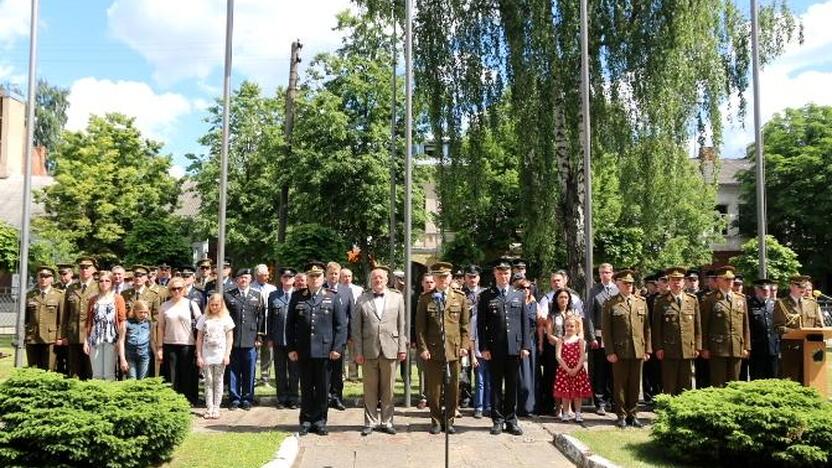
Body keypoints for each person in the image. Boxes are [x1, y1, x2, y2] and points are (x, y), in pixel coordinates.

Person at [287, 261, 348, 436]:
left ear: (323, 278)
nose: (314, 279)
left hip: (325, 351)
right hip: (304, 350)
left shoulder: (332, 296)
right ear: (306, 278)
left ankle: (320, 421)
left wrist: (337, 347)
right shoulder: (298, 297)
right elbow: (289, 326)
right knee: (305, 387)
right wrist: (291, 347)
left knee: (322, 389)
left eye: (318, 276)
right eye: (311, 276)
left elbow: (340, 326)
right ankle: (306, 421)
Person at [416, 261, 471, 435]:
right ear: (434, 278)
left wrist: (464, 346)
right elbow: (420, 329)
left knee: (453, 389)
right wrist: (423, 348)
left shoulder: (460, 297)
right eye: (439, 277)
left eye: (445, 276)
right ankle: (436, 420)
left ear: (450, 278)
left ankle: (449, 420)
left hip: (453, 351)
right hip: (432, 351)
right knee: (434, 390)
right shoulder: (425, 299)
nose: (442, 280)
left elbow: (465, 327)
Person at [477, 258, 530, 436]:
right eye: (500, 273)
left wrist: (525, 346)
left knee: (512, 385)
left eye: (506, 273)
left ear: (510, 274)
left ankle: (511, 420)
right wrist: (483, 347)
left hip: (514, 348)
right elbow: (481, 325)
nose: (503, 276)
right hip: (495, 348)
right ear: (495, 274)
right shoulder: (486, 295)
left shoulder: (519, 294)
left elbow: (524, 323)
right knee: (495, 385)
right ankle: (497, 420)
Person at [353, 266, 407, 436]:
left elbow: (401, 325)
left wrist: (402, 348)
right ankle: (370, 422)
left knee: (388, 389)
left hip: (390, 348)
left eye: (381, 278)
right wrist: (358, 352)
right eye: (375, 278)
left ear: (386, 280)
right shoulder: (362, 299)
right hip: (369, 350)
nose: (377, 281)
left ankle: (387, 421)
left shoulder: (397, 298)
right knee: (369, 389)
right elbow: (356, 329)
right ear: (371, 281)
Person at [602, 269, 651, 429]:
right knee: (620, 384)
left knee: (635, 384)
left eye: (631, 283)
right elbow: (606, 331)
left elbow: (647, 328)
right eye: (626, 283)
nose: (629, 286)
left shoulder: (641, 302)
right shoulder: (610, 303)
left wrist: (647, 349)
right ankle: (621, 415)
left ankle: (633, 414)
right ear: (618, 284)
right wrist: (610, 352)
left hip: (638, 349)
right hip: (619, 351)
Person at [651, 267, 701, 396]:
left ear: (684, 282)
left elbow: (697, 325)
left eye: (679, 280)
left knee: (686, 385)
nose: (676, 283)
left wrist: (697, 346)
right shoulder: (661, 301)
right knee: (669, 384)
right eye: (673, 280)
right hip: (669, 349)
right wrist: (658, 347)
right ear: (669, 282)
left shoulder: (692, 300)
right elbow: (656, 327)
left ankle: (683, 413)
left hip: (687, 348)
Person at [700, 266, 750, 388]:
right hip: (718, 347)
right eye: (726, 279)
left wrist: (747, 346)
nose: (730, 282)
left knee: (734, 382)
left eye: (732, 279)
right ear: (718, 281)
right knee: (719, 382)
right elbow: (704, 325)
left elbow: (745, 325)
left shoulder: (740, 299)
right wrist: (705, 347)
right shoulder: (710, 299)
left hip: (736, 346)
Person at [224, 268, 265, 411]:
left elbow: (261, 317)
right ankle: (234, 398)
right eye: (241, 278)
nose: (243, 280)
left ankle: (247, 398)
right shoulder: (228, 295)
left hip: (251, 339)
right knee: (233, 371)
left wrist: (259, 336)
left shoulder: (257, 295)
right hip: (233, 339)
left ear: (250, 280)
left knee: (250, 370)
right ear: (236, 280)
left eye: (246, 278)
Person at [157, 277, 201, 404]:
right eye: (173, 289)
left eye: (179, 288)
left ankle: (188, 401)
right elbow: (160, 327)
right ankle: (171, 401)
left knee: (187, 375)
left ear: (184, 289)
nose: (176, 291)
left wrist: (199, 348)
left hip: (188, 344)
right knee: (171, 375)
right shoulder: (164, 306)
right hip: (169, 344)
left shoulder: (191, 304)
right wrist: (159, 348)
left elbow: (200, 325)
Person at [196, 293, 235, 419]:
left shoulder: (226, 318)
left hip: (220, 355)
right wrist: (199, 356)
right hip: (207, 355)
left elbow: (230, 338)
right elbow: (199, 338)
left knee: (218, 381)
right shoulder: (204, 318)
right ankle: (209, 407)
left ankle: (217, 407)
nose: (214, 307)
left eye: (216, 305)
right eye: (212, 305)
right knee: (208, 381)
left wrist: (227, 354)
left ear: (221, 305)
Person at [60, 256, 99, 379]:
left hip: (92, 334)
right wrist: (64, 335)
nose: (84, 270)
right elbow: (65, 314)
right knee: (74, 370)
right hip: (74, 334)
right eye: (82, 267)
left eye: (88, 268)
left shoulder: (98, 287)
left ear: (93, 270)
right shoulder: (71, 288)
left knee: (90, 369)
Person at [84, 271, 127, 380]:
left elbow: (122, 321)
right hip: (95, 339)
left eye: (107, 281)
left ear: (112, 283)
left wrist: (120, 340)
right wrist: (86, 341)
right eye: (101, 281)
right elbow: (88, 322)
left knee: (109, 374)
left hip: (111, 338)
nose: (104, 283)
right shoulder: (93, 300)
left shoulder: (118, 299)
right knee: (96, 374)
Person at [267, 267, 300, 409]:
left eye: (290, 277)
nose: (287, 280)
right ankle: (281, 399)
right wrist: (269, 337)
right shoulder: (273, 295)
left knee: (294, 371)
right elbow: (270, 319)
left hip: (294, 341)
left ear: (294, 280)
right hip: (278, 339)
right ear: (281, 279)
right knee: (280, 371)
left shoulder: (299, 295)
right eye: (285, 277)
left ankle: (293, 399)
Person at [588, 263, 617, 415]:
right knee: (600, 371)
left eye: (607, 272)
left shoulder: (617, 290)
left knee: (614, 371)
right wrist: (592, 336)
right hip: (599, 338)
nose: (604, 275)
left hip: (615, 338)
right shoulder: (594, 291)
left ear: (612, 273)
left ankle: (614, 400)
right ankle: (600, 402)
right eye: (601, 272)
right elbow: (590, 316)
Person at [323, 261, 352, 411]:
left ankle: (337, 397)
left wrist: (350, 336)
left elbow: (351, 314)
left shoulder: (346, 291)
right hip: (324, 337)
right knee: (325, 369)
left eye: (336, 273)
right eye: (331, 273)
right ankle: (325, 397)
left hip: (340, 337)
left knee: (338, 369)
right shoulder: (320, 290)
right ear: (326, 275)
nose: (333, 276)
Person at [540, 288, 573, 417]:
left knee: (570, 379)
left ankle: (569, 407)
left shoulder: (573, 313)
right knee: (555, 378)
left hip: (571, 351)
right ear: (556, 300)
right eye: (561, 297)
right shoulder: (551, 315)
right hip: (555, 351)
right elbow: (549, 334)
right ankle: (556, 406)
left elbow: (579, 330)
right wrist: (562, 342)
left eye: (565, 297)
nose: (563, 300)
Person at [25, 266, 64, 370]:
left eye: (47, 276)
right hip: (33, 336)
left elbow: (61, 318)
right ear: (37, 278)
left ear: (52, 279)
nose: (43, 279)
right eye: (41, 276)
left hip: (50, 337)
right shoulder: (30, 295)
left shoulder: (59, 295)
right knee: (33, 368)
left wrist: (59, 336)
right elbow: (26, 317)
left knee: (49, 368)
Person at [554, 316, 592, 422]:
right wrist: (567, 369)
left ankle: (578, 413)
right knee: (565, 393)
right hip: (564, 370)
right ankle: (565, 413)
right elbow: (558, 356)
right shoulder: (560, 340)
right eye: (567, 326)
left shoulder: (580, 341)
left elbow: (582, 356)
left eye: (572, 326)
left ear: (577, 327)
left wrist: (576, 369)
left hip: (578, 370)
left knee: (577, 393)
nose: (569, 328)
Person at [465, 265, 490, 419]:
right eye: (470, 276)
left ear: (479, 278)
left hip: (481, 338)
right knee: (464, 372)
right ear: (466, 278)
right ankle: (466, 398)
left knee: (483, 377)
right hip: (466, 336)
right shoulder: (460, 294)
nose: (472, 279)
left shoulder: (485, 293)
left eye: (475, 276)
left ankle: (483, 404)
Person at [747, 279, 779, 379]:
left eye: (768, 290)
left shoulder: (775, 304)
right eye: (763, 290)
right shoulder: (749, 304)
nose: (766, 292)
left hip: (773, 348)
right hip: (757, 348)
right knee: (757, 377)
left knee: (773, 377)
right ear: (756, 290)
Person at [252, 264, 277, 388]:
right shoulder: (251, 288)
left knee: (268, 351)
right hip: (255, 323)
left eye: (267, 275)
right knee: (254, 350)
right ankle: (253, 376)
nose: (266, 277)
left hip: (269, 321)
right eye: (263, 275)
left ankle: (265, 376)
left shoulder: (272, 288)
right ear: (257, 275)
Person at [339, 267, 363, 383]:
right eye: (344, 276)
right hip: (342, 325)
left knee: (353, 352)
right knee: (341, 352)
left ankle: (353, 375)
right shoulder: (337, 289)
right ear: (340, 277)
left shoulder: (359, 289)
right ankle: (342, 374)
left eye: (349, 276)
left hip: (354, 324)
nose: (347, 278)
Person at [119, 299, 153, 379]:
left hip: (145, 355)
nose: (143, 314)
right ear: (135, 311)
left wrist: (157, 353)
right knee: (132, 378)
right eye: (141, 312)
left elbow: (152, 340)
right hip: (131, 355)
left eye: (145, 312)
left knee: (143, 379)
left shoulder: (149, 324)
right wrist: (123, 359)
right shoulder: (126, 323)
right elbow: (121, 341)